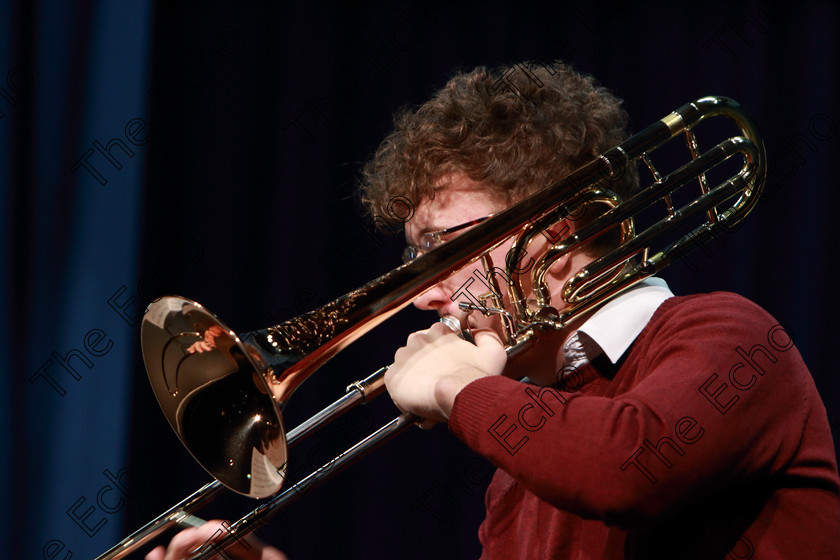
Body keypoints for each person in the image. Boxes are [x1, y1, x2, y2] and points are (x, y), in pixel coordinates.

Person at [149, 61, 840, 559]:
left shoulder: (732, 337)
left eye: (443, 254)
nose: (423, 295)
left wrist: (459, 387)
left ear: (563, 230)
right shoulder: (525, 456)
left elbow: (632, 469)